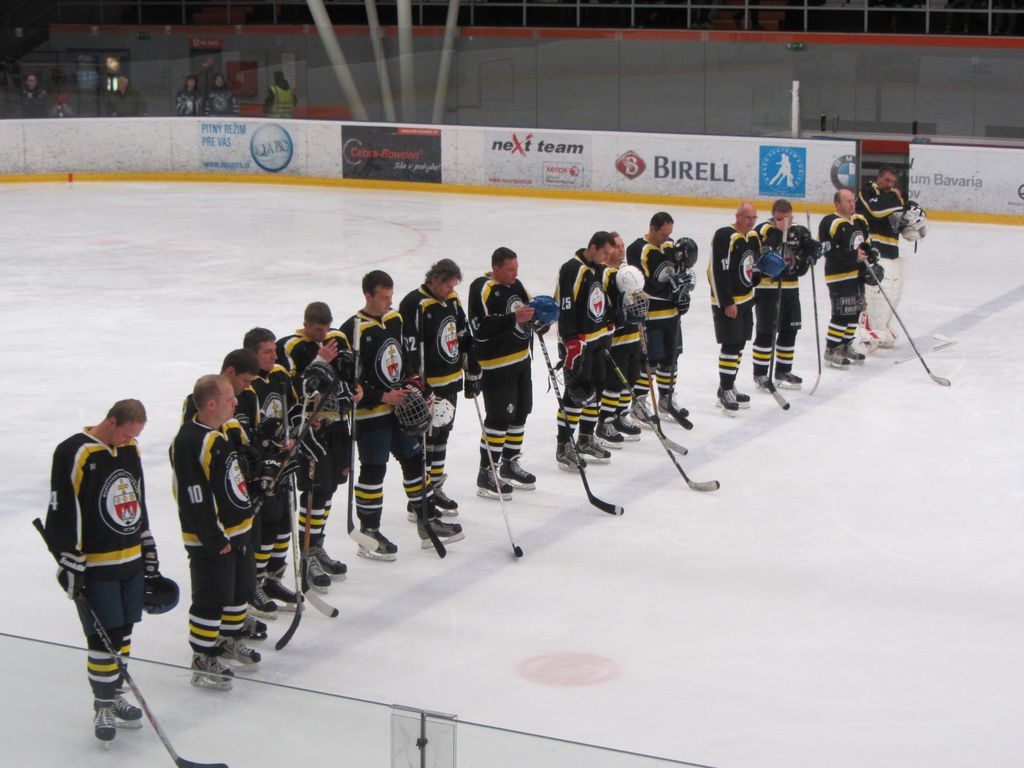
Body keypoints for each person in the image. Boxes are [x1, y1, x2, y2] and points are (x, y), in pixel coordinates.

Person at [44, 399, 159, 742]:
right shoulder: (75, 451)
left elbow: (136, 498)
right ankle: (102, 704)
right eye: (125, 434)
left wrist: (147, 543)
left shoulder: (130, 449)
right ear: (111, 422)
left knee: (124, 633)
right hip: (97, 565)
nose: (128, 441)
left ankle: (115, 693)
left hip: (130, 560)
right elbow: (63, 508)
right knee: (101, 637)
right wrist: (69, 557)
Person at [339, 271, 464, 560]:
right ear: (367, 295)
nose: (389, 302)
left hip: (400, 410)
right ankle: (369, 533)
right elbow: (349, 381)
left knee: (414, 461)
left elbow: (405, 360)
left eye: (391, 297)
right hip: (371, 415)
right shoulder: (352, 329)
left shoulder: (394, 320)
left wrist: (412, 383)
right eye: (383, 298)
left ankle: (426, 521)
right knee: (374, 469)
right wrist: (381, 396)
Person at [172, 375, 259, 690]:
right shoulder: (190, 441)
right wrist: (213, 537)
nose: (236, 402)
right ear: (210, 404)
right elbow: (193, 496)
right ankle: (202, 656)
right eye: (228, 398)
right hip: (214, 540)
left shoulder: (220, 432)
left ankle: (228, 639)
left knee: (239, 590)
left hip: (239, 532)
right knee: (211, 597)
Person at [276, 303, 351, 589]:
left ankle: (317, 546)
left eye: (326, 329)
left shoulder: (337, 338)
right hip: (310, 432)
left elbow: (346, 375)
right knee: (314, 493)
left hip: (337, 427)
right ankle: (307, 554)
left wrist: (354, 387)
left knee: (328, 490)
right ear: (306, 324)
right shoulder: (290, 346)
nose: (322, 335)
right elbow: (292, 388)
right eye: (317, 330)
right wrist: (319, 360)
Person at [398, 258, 476, 516]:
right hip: (428, 388)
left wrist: (471, 366)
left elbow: (462, 334)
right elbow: (409, 349)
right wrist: (417, 385)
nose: (452, 290)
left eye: (454, 286)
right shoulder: (414, 304)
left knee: (442, 436)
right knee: (425, 442)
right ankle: (420, 498)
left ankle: (436, 488)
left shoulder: (452, 300)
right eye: (448, 285)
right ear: (434, 280)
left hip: (450, 382)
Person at [467, 247, 538, 498]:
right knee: (499, 418)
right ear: (496, 268)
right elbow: (479, 328)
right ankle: (486, 472)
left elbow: (530, 310)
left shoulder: (517, 286)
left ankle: (509, 463)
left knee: (520, 413)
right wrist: (513, 318)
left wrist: (539, 318)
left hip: (521, 362)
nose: (515, 274)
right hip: (496, 366)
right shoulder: (482, 288)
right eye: (510, 269)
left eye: (516, 268)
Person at [241, 328, 300, 613]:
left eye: (275, 350)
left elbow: (295, 410)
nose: (275, 356)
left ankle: (273, 580)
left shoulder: (280, 375)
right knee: (264, 527)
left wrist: (294, 435)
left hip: (283, 463)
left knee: (283, 524)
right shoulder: (245, 387)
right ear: (252, 354)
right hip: (261, 469)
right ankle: (255, 584)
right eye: (268, 352)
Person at [554, 231, 616, 468]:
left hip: (597, 341)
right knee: (576, 394)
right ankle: (563, 446)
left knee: (596, 390)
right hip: (578, 344)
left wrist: (608, 322)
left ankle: (586, 439)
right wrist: (570, 340)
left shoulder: (597, 268)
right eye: (604, 253)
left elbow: (599, 300)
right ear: (592, 247)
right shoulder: (572, 268)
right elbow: (565, 305)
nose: (606, 258)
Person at [626, 211, 694, 428]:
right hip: (650, 317)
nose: (667, 238)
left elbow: (678, 277)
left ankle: (666, 399)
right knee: (650, 362)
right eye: (663, 234)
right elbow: (642, 285)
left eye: (669, 234)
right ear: (652, 228)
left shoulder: (671, 246)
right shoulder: (637, 249)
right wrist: (671, 292)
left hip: (671, 316)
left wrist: (683, 294)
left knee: (671, 358)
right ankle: (639, 404)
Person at [751, 199, 812, 390]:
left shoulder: (798, 231)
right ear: (773, 216)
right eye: (779, 219)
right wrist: (778, 233)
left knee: (790, 330)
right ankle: (760, 373)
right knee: (766, 332)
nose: (783, 223)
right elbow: (764, 255)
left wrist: (809, 252)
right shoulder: (763, 230)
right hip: (768, 289)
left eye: (787, 219)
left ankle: (783, 370)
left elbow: (800, 264)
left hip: (791, 289)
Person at [708, 202, 762, 413]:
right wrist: (727, 301)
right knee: (730, 345)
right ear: (737, 216)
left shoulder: (753, 236)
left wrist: (759, 275)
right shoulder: (724, 236)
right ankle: (725, 390)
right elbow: (716, 271)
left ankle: (728, 384)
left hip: (747, 299)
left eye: (754, 218)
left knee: (739, 344)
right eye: (747, 217)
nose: (751, 222)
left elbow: (754, 265)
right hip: (729, 302)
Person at [819, 189, 880, 369]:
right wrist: (853, 256)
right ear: (837, 204)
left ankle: (845, 346)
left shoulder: (860, 220)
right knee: (842, 313)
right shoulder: (829, 222)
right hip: (839, 275)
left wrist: (871, 254)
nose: (852, 204)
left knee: (855, 311)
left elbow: (867, 244)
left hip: (857, 275)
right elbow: (828, 251)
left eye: (853, 201)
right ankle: (831, 349)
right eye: (847, 201)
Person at [595, 232, 643, 446]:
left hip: (632, 335)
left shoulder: (627, 271)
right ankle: (605, 421)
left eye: (623, 245)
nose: (622, 249)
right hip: (616, 339)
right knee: (614, 383)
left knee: (630, 378)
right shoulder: (604, 274)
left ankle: (621, 416)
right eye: (617, 246)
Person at [856, 165, 905, 350]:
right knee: (874, 294)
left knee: (892, 294)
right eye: (887, 180)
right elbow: (876, 211)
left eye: (893, 182)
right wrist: (896, 198)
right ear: (879, 178)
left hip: (892, 251)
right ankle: (868, 332)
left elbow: (898, 220)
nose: (890, 184)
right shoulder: (867, 191)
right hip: (875, 251)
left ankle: (882, 327)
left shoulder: (892, 197)